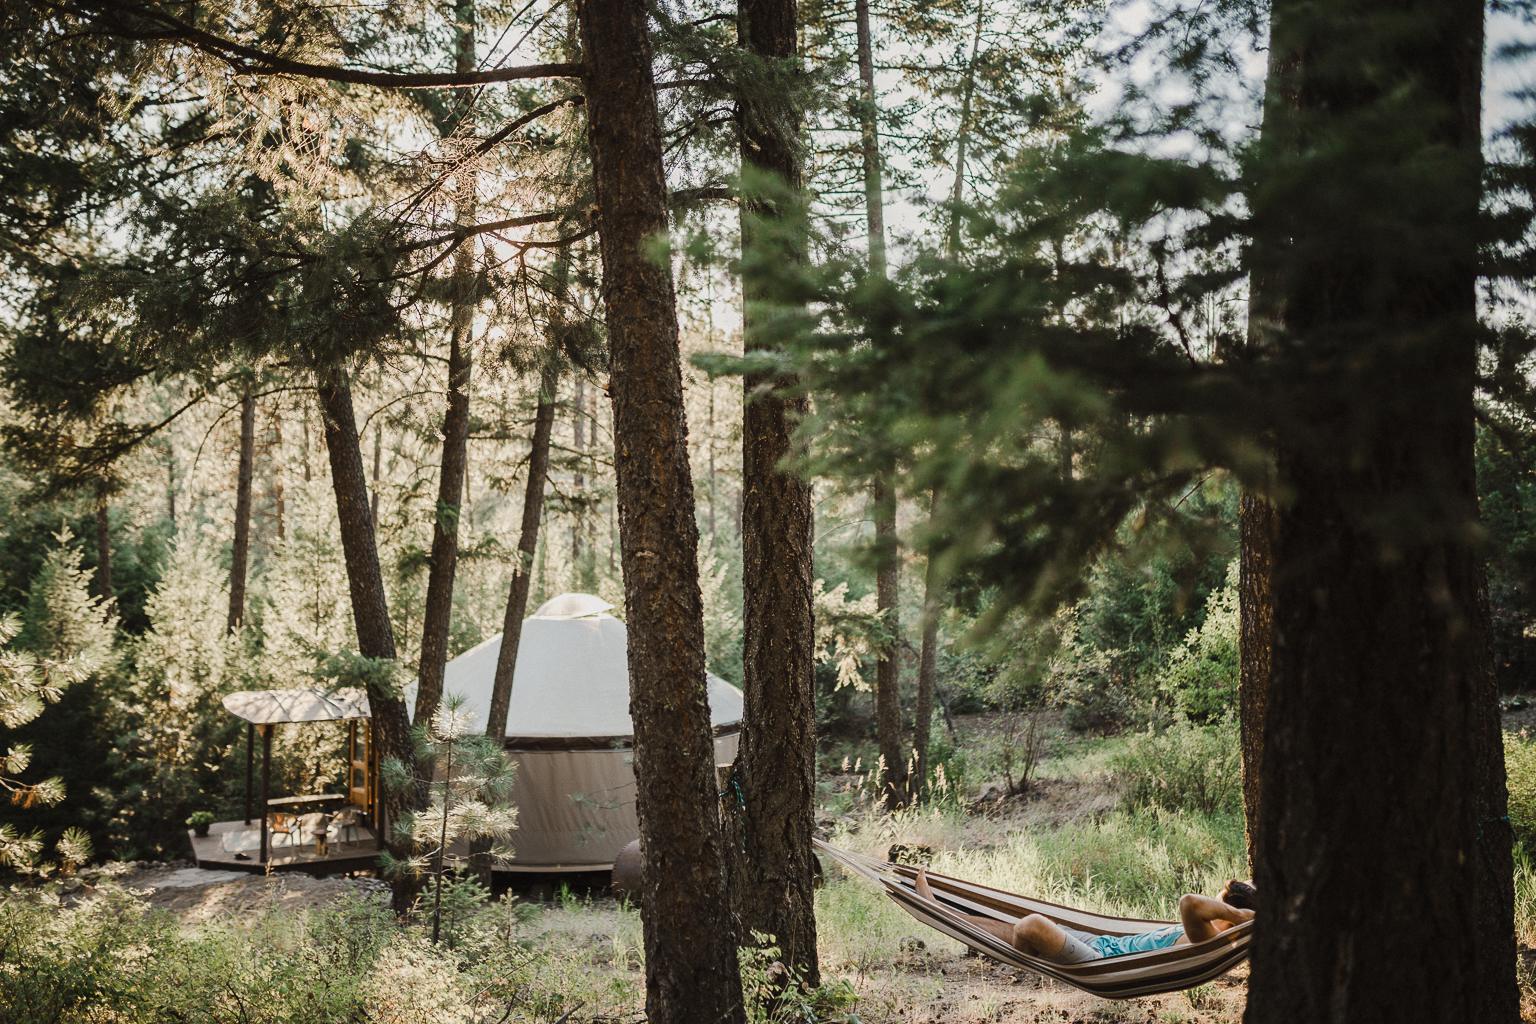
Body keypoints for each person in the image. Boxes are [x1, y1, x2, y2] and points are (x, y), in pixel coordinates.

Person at [914, 869, 1255, 964]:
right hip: (1102, 944)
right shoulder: (1213, 930)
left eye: (1220, 903)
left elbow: (1189, 903)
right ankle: (942, 911)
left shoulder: (1209, 938)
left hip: (1098, 964)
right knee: (1016, 930)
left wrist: (1239, 915)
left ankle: (1022, 949)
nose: (1214, 905)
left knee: (1031, 925)